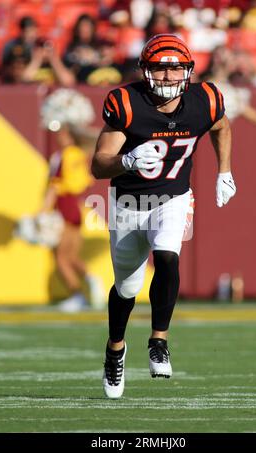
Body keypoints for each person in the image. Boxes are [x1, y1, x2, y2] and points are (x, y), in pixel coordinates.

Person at [91, 34, 236, 398]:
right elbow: (97, 166)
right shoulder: (126, 103)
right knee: (126, 288)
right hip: (127, 204)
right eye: (160, 68)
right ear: (146, 70)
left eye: (176, 70)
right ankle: (115, 349)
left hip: (173, 198)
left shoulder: (205, 99)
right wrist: (125, 161)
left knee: (168, 256)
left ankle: (159, 341)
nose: (169, 78)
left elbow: (221, 126)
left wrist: (225, 171)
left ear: (188, 71)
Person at [40, 89, 106, 311]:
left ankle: (77, 295)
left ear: (67, 132)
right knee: (71, 255)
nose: (57, 135)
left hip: (65, 207)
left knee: (60, 258)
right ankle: (91, 280)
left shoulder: (63, 156)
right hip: (75, 209)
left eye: (61, 131)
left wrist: (42, 213)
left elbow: (54, 188)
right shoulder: (80, 154)